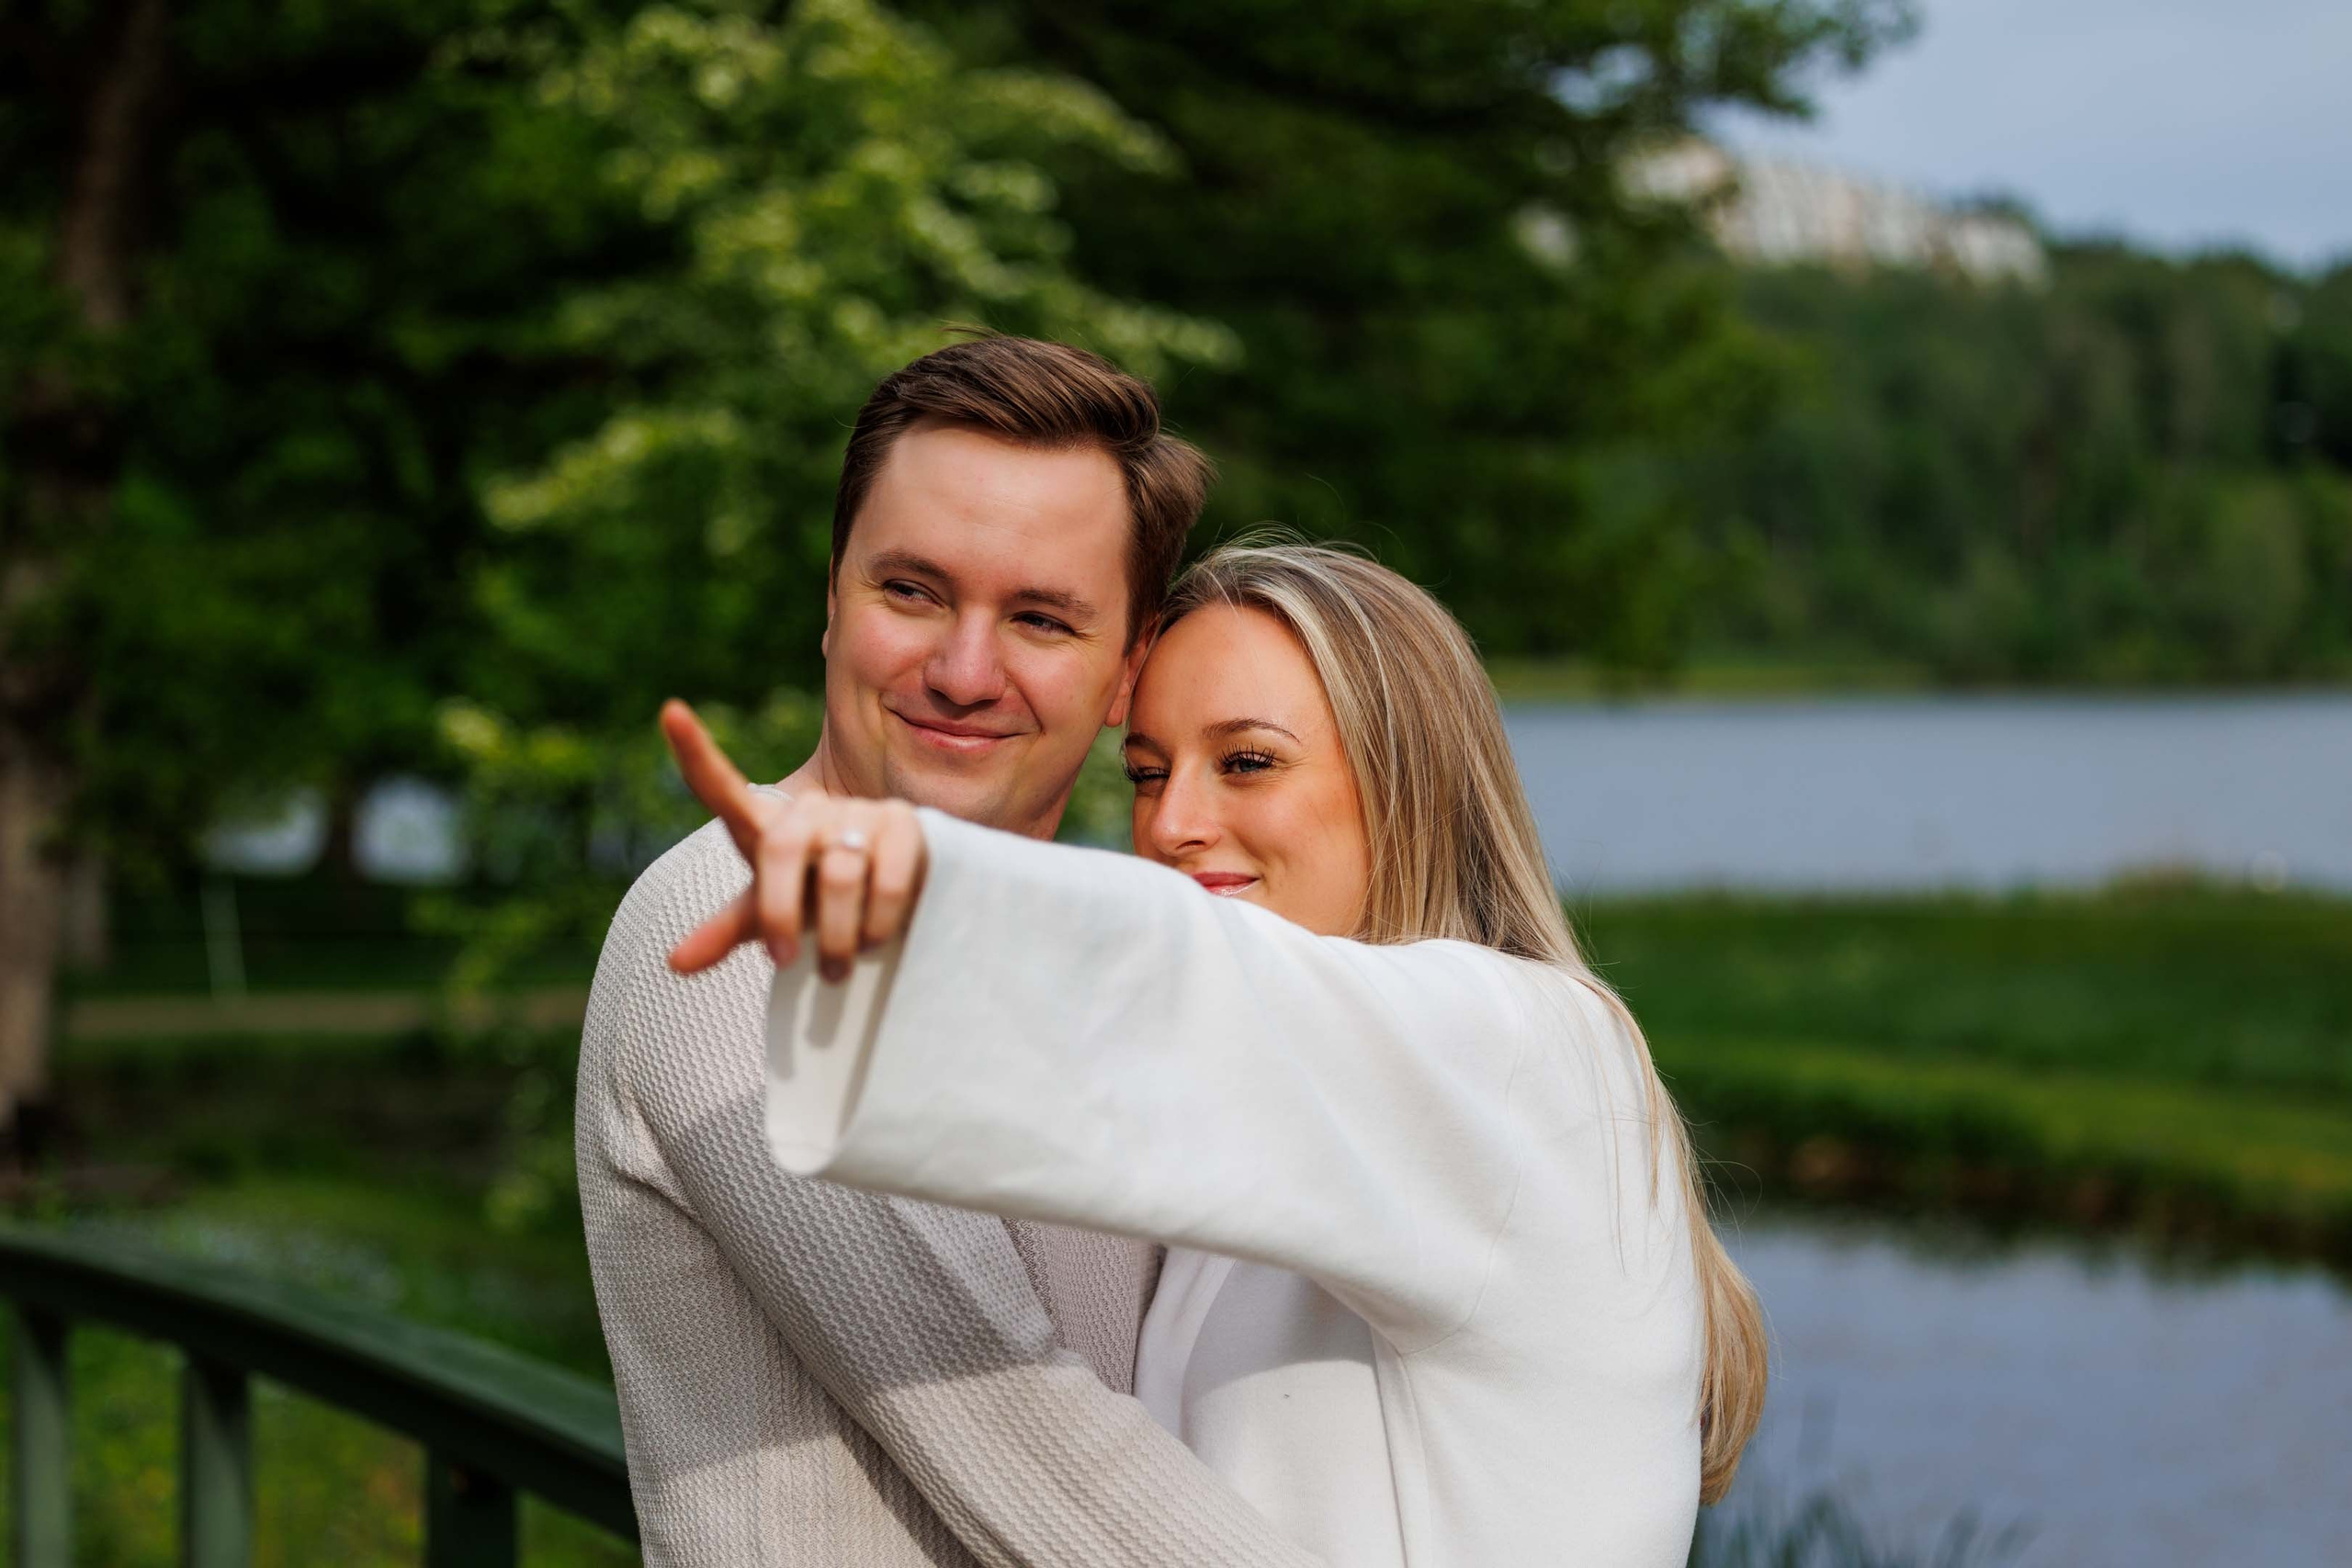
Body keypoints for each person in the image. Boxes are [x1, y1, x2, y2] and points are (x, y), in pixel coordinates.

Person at [662, 542, 1770, 1566]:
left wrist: (902, 891)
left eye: (1246, 761)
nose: (1173, 822)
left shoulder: (1537, 1056)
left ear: (1409, 784)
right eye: (1146, 772)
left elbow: (1176, 974)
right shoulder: (1279, 1125)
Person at [578, 338, 1321, 1566]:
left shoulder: (1098, 943)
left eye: (1039, 616)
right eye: (912, 591)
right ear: (832, 601)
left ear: (1126, 672)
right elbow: (1041, 1454)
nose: (963, 671)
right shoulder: (731, 915)